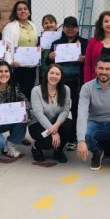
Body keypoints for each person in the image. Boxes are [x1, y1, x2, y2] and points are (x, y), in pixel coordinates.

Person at [47, 16, 88, 151]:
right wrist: (50, 57)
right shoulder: (57, 43)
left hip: (78, 82)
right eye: (68, 27)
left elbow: (92, 61)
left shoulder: (84, 43)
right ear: (63, 28)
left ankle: (76, 138)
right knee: (61, 110)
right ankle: (60, 135)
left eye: (73, 27)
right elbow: (49, 64)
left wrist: (85, 59)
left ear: (77, 28)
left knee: (77, 110)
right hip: (61, 84)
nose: (70, 29)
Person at [29, 64, 75, 163]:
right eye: (51, 73)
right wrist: (53, 131)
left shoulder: (66, 89)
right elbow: (39, 114)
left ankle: (58, 150)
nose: (54, 76)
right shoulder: (36, 90)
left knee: (69, 125)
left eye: (57, 74)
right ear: (46, 74)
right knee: (48, 142)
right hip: (38, 124)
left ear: (61, 76)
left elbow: (65, 111)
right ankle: (36, 147)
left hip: (55, 123)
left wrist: (56, 126)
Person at [2, 1, 38, 101]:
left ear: (29, 12)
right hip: (17, 67)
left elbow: (35, 44)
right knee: (17, 94)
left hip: (32, 67)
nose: (23, 11)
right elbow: (6, 46)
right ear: (16, 12)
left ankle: (28, 115)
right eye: (19, 9)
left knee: (29, 93)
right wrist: (10, 62)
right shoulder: (10, 27)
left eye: (25, 9)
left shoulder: (33, 26)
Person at [40, 14, 58, 80]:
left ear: (56, 24)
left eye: (51, 22)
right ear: (43, 25)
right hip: (44, 71)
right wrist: (38, 51)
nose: (49, 25)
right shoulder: (39, 39)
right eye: (46, 23)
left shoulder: (62, 38)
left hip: (57, 70)